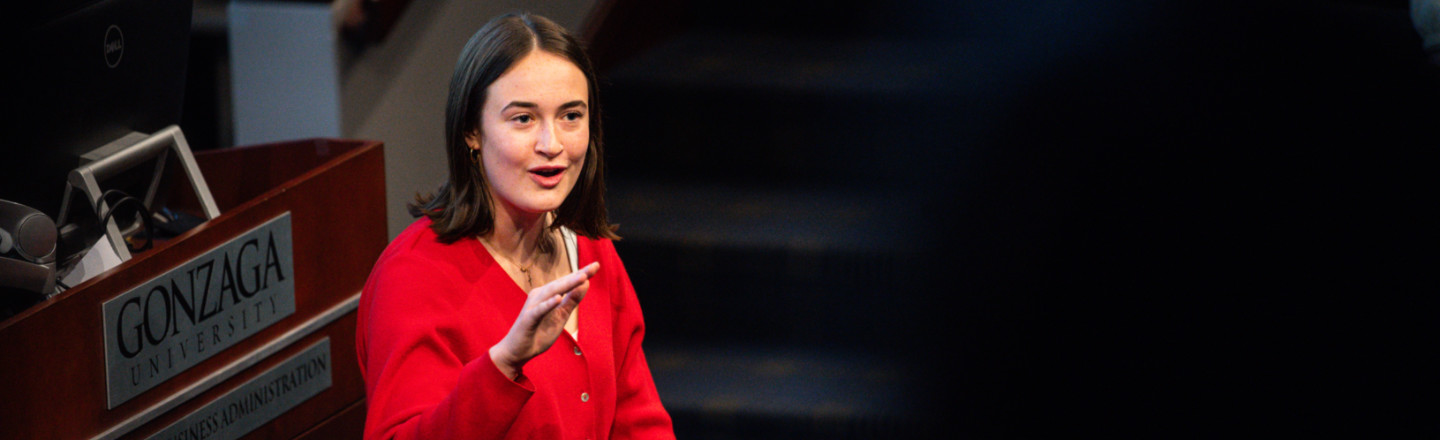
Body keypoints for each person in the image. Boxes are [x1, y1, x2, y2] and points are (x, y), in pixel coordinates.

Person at [356, 12, 675, 440]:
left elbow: (640, 421)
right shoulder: (414, 276)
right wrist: (504, 363)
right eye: (523, 119)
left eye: (571, 116)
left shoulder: (591, 251)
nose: (552, 145)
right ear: (472, 130)